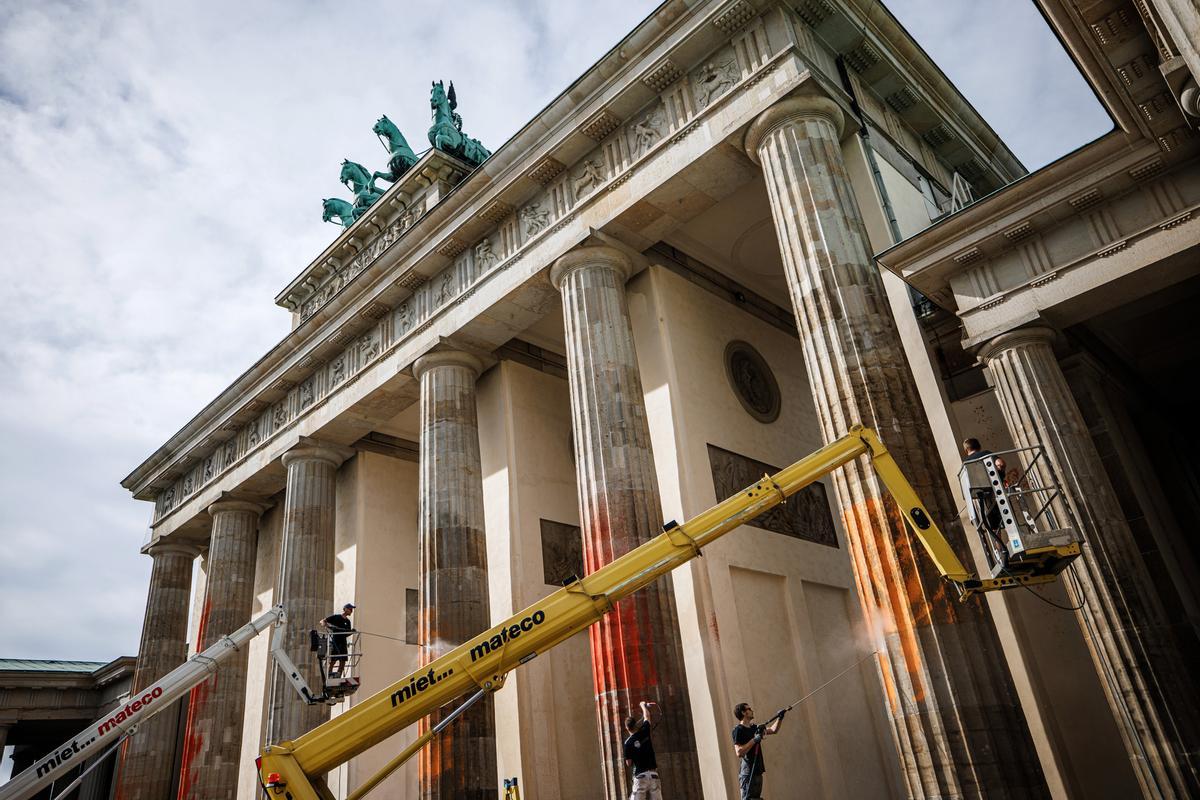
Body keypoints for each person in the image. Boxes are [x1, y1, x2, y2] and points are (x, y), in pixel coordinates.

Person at [731, 702, 785, 800]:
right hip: (748, 772)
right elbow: (739, 752)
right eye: (749, 709)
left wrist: (780, 718)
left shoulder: (754, 728)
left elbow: (773, 730)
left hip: (757, 769)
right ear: (743, 712)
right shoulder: (738, 730)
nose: (752, 710)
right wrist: (754, 740)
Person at [623, 700, 661, 799]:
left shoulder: (628, 743)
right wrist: (642, 706)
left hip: (640, 776)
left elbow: (629, 763)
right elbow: (647, 716)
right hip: (653, 775)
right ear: (636, 724)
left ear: (627, 728)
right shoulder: (644, 730)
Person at [319, 603, 355, 677]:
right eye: (350, 609)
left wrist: (351, 632)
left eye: (352, 609)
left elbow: (346, 633)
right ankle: (329, 673)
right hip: (336, 641)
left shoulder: (348, 622)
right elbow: (322, 621)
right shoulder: (336, 617)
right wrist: (327, 625)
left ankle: (338, 674)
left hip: (343, 642)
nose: (351, 611)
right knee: (333, 659)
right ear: (345, 609)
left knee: (343, 660)